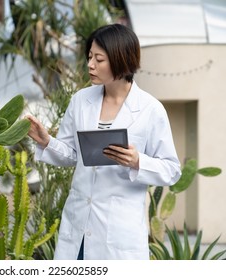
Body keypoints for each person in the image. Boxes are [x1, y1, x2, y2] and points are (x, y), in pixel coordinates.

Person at [25, 23, 181, 260]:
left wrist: (138, 161)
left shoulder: (151, 110)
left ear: (121, 59)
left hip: (118, 234)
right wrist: (47, 141)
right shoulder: (80, 101)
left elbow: (171, 170)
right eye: (89, 57)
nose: (90, 65)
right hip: (78, 226)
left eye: (99, 59)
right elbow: (72, 155)